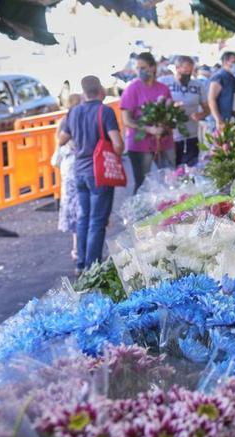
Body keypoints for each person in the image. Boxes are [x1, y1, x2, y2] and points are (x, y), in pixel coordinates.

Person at [59, 76, 124, 273]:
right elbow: (118, 144)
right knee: (97, 221)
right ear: (101, 90)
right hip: (99, 173)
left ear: (83, 91)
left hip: (79, 171)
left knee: (83, 218)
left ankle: (80, 264)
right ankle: (92, 266)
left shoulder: (74, 111)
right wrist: (117, 152)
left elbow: (62, 139)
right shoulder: (105, 112)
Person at [121, 52, 175, 192]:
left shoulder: (163, 89)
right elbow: (126, 120)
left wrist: (164, 125)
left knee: (171, 181)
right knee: (142, 185)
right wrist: (149, 129)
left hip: (164, 142)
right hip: (140, 145)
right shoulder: (132, 89)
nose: (140, 71)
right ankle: (141, 213)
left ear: (153, 67)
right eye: (138, 68)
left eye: (143, 67)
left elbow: (170, 113)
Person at [159, 55, 209, 167]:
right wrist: (170, 107)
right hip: (170, 135)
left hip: (191, 135)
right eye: (185, 70)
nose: (188, 74)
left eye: (190, 71)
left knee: (191, 169)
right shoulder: (164, 82)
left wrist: (201, 114)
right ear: (177, 68)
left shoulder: (198, 85)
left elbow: (207, 109)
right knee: (170, 170)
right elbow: (156, 105)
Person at [52, 93, 82, 260]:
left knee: (75, 213)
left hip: (69, 170)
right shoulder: (75, 120)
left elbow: (60, 140)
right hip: (78, 169)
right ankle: (79, 250)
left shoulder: (65, 120)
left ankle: (77, 249)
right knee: (82, 211)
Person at [208, 51, 235, 132]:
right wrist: (218, 120)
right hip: (222, 121)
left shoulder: (233, 78)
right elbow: (211, 99)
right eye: (234, 62)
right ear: (225, 62)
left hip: (232, 119)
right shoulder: (219, 77)